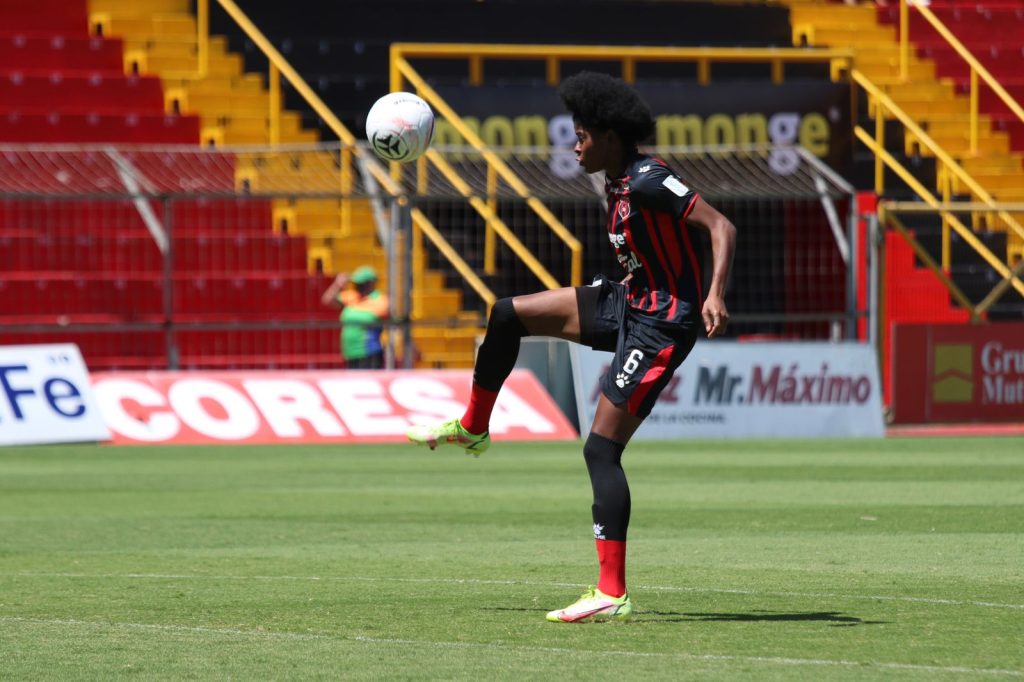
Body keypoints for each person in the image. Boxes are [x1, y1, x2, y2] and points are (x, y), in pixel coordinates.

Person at [407, 72, 737, 623]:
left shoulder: (651, 178)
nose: (574, 145)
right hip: (628, 301)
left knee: (601, 450)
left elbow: (720, 225)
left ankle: (612, 592)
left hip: (662, 324)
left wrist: (715, 294)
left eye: (581, 135)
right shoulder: (615, 181)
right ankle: (474, 427)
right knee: (507, 314)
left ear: (609, 135)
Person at [320, 265, 389, 369]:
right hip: (350, 353)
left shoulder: (381, 301)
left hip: (369, 353)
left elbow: (391, 327)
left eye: (361, 284)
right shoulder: (351, 296)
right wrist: (337, 284)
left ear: (371, 283)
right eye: (356, 283)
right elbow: (327, 300)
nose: (358, 286)